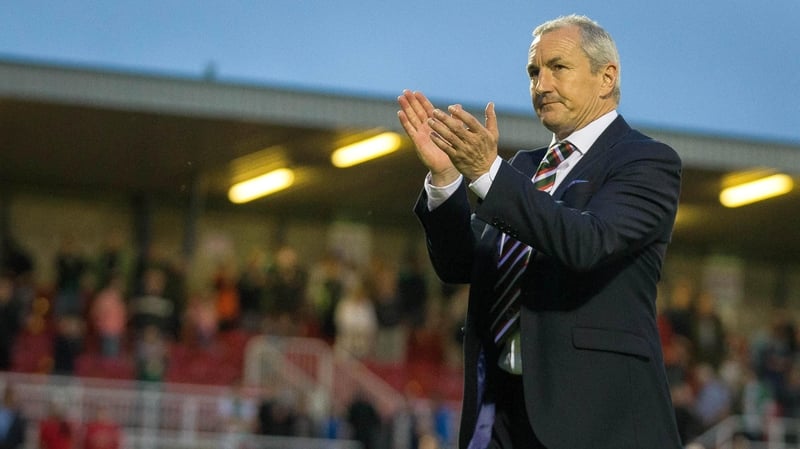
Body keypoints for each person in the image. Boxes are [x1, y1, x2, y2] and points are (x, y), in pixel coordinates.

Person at [397, 14, 682, 449]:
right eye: (534, 71)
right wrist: (446, 178)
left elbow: (587, 242)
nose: (541, 84)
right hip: (502, 412)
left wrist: (488, 172)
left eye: (558, 67)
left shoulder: (646, 162)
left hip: (595, 421)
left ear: (606, 77)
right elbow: (462, 265)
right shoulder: (523, 169)